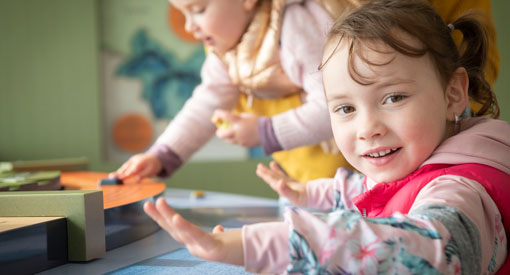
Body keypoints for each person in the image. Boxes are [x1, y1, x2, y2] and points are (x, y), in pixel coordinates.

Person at [143, 0, 510, 273]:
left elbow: (427, 251)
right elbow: (373, 190)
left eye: (394, 98)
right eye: (345, 109)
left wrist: (267, 243)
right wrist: (315, 194)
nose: (368, 129)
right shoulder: (418, 159)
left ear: (453, 94)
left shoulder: (461, 191)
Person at [110, 0, 501, 186]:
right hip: (312, 177)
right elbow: (204, 103)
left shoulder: (294, 25)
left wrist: (263, 132)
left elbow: (332, 106)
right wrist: (161, 157)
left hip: (357, 167)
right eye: (184, 15)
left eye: (198, 9)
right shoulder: (226, 49)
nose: (192, 27)